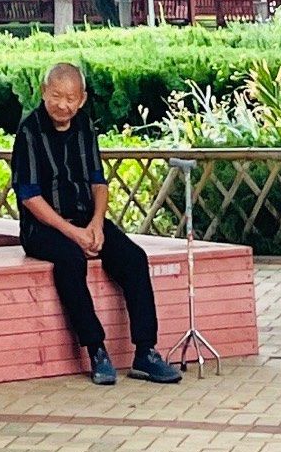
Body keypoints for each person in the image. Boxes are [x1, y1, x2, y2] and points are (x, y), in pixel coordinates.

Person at [10, 59, 183, 386]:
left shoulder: (85, 126)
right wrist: (74, 233)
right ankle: (96, 350)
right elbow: (29, 196)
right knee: (70, 260)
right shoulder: (29, 131)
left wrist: (97, 225)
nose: (63, 105)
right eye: (56, 96)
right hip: (43, 227)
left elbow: (98, 181)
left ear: (82, 99)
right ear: (44, 92)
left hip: (86, 220)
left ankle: (145, 352)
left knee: (134, 258)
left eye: (70, 98)